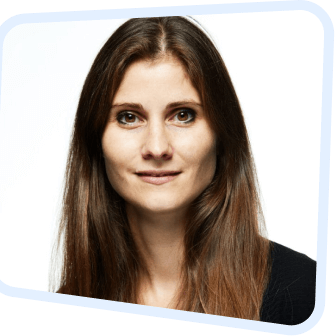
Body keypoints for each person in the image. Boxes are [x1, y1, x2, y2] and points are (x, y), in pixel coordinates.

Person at [51, 16, 316, 325]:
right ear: (95, 139)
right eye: (128, 117)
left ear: (221, 133)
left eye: (183, 115)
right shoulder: (69, 297)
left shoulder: (304, 293)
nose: (157, 147)